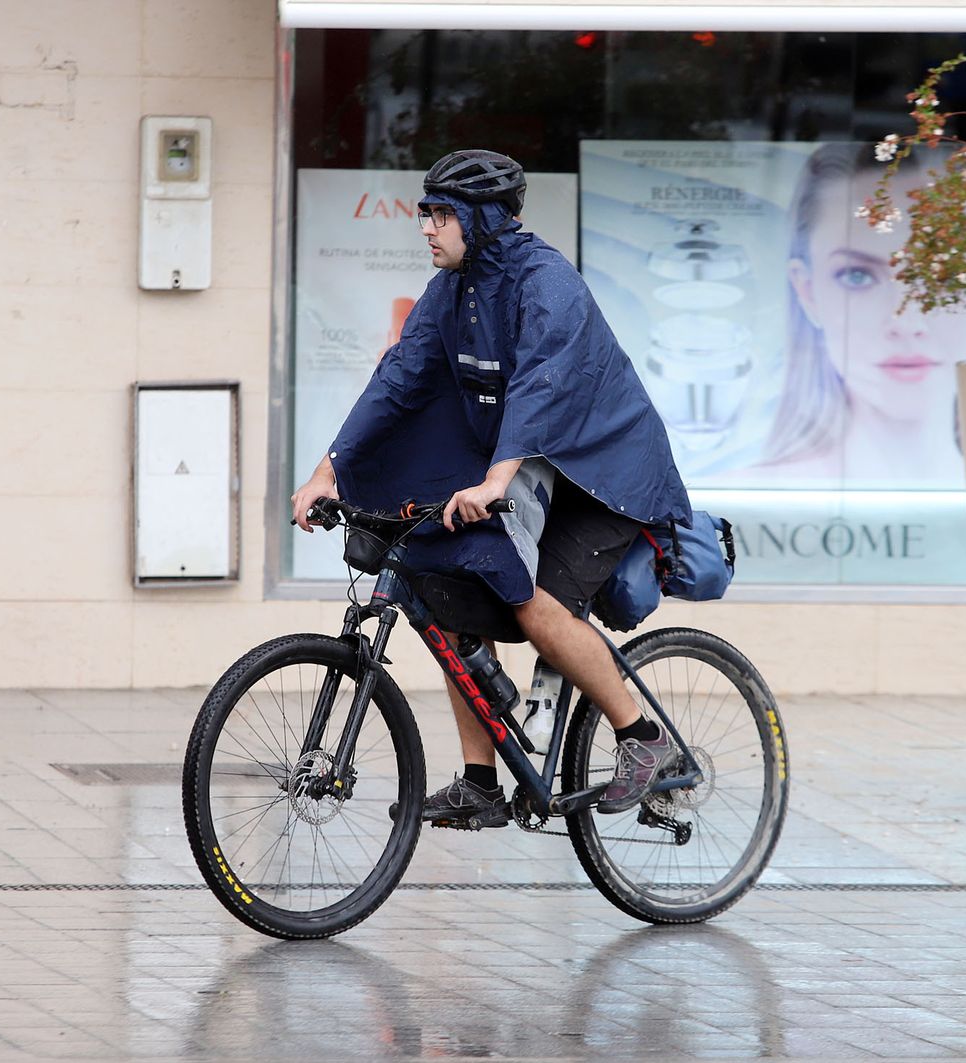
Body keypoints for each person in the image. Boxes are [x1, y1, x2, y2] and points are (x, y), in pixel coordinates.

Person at [290, 149, 692, 828]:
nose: (427, 227)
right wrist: (328, 468)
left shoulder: (546, 281)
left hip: (606, 476)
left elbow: (541, 383)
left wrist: (496, 477)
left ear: (480, 219)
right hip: (536, 469)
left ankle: (642, 737)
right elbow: (399, 379)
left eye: (441, 214)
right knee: (451, 597)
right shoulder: (452, 288)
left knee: (538, 609)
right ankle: (481, 783)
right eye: (425, 213)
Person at [763, 142, 966, 484]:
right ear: (807, 291)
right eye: (858, 276)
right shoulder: (734, 501)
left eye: (945, 275)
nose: (906, 322)